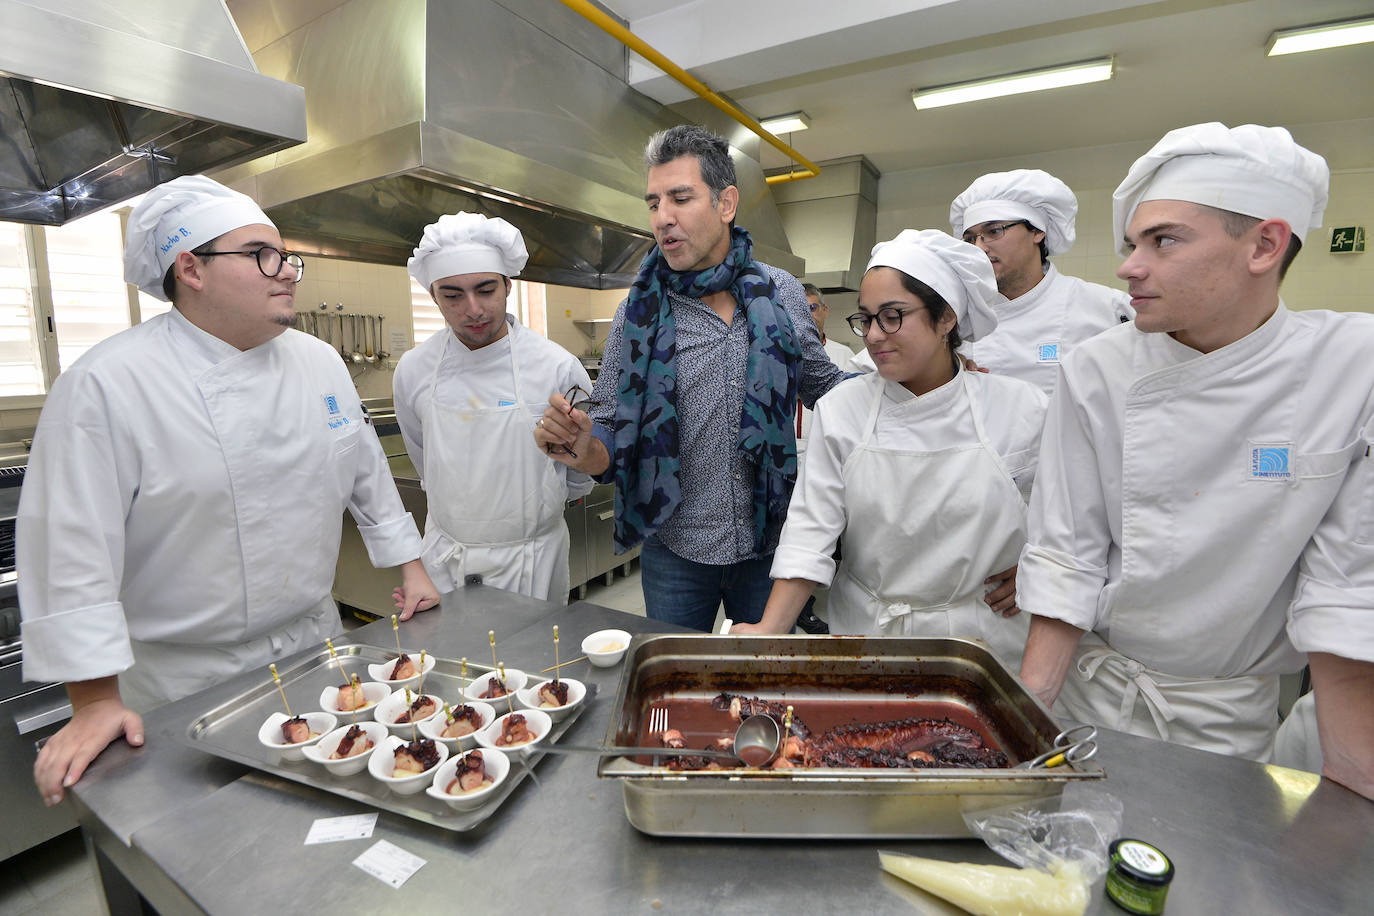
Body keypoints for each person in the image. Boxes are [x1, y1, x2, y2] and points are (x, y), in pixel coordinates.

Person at [20, 176, 439, 805]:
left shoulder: (317, 362)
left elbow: (365, 472)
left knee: (328, 819)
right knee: (212, 845)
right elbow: (71, 550)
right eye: (259, 255)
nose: (288, 271)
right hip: (185, 678)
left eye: (285, 255)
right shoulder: (108, 384)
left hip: (315, 649)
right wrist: (95, 699)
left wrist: (412, 566)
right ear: (191, 268)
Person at [1016, 123, 1374, 800]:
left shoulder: (1350, 367)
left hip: (1228, 723)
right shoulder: (1097, 369)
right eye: (1132, 243)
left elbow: (1347, 598)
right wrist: (1024, 731)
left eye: (1164, 240)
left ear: (1264, 245)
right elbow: (1068, 560)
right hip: (1092, 704)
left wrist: (1355, 801)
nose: (1128, 266)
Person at [535, 125, 845, 631]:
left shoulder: (781, 292)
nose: (663, 218)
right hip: (675, 550)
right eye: (654, 203)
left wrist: (917, 380)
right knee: (679, 690)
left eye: (681, 198)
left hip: (772, 543)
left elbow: (825, 388)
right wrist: (585, 447)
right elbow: (609, 426)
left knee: (767, 690)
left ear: (726, 203)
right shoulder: (638, 314)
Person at [734, 230, 1047, 667]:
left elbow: (1065, 519)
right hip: (869, 632)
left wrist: (1037, 566)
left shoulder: (1020, 408)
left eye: (893, 316)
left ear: (946, 318)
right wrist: (771, 628)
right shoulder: (842, 409)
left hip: (980, 642)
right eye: (866, 319)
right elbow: (810, 528)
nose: (875, 336)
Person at [394, 213, 593, 601]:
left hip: (532, 558)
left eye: (486, 290)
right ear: (433, 295)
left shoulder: (556, 366)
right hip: (444, 556)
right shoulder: (413, 370)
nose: (473, 309)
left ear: (507, 285)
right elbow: (424, 462)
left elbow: (578, 474)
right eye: (452, 295)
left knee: (536, 659)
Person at [949, 169, 1133, 397]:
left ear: (1037, 231)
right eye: (970, 239)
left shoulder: (1109, 310)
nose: (979, 248)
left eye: (994, 231)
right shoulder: (955, 319)